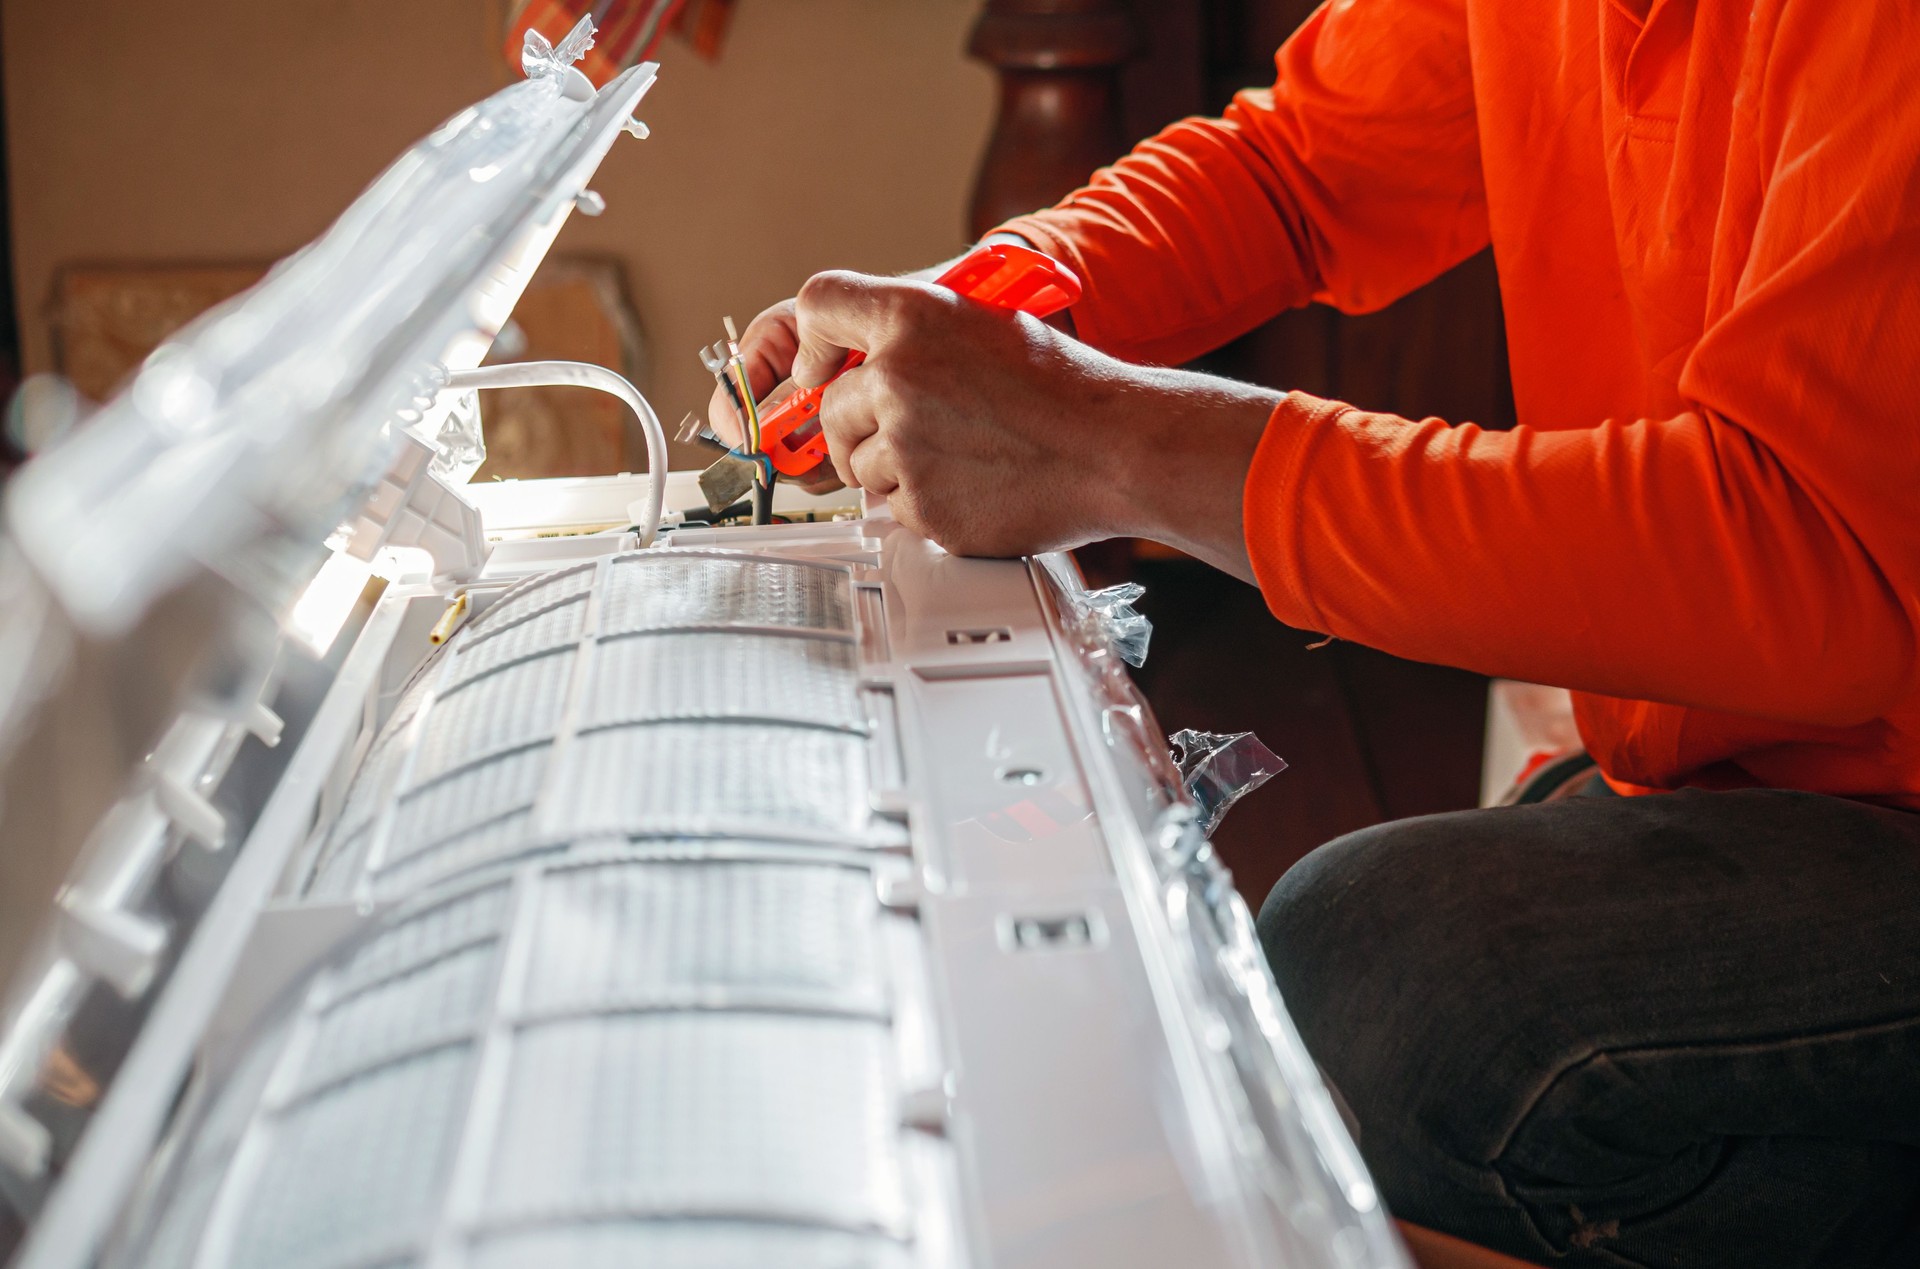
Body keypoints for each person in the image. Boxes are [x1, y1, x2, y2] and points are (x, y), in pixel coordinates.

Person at [709, 1, 1920, 1264]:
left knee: (1401, 978)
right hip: (1778, 754)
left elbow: (1813, 549)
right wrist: (971, 323)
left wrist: (1110, 438)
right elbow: (1306, 169)